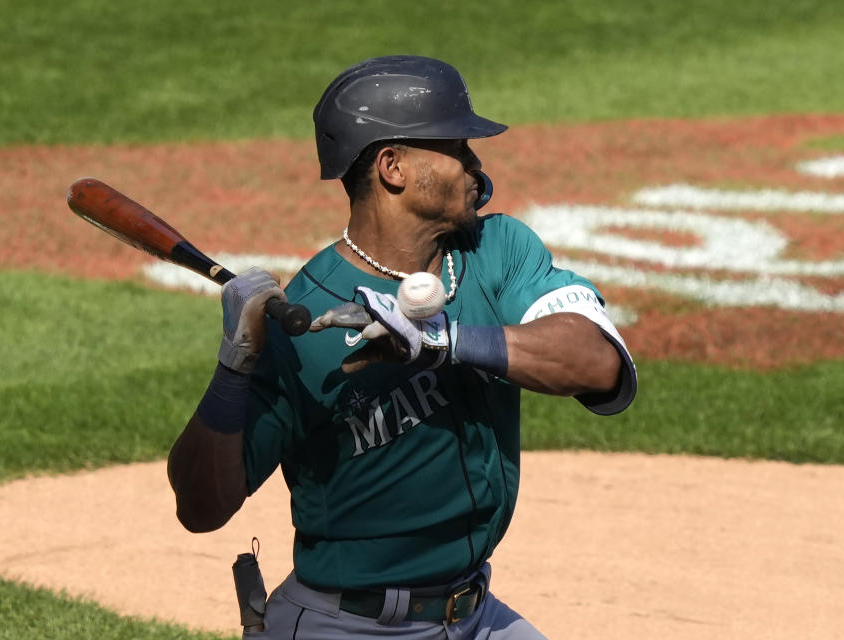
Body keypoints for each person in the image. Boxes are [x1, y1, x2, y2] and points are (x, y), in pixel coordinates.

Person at [167, 55, 637, 639]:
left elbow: (595, 362)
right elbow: (200, 507)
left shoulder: (497, 251)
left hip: (476, 612)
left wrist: (442, 341)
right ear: (393, 167)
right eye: (457, 147)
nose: (476, 164)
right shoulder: (304, 320)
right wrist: (233, 366)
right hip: (347, 624)